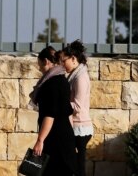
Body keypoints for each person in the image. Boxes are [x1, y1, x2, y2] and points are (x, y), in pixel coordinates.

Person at [29, 46, 77, 176]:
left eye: (40, 65)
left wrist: (40, 141)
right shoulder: (63, 81)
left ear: (46, 61)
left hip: (55, 139)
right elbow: (68, 113)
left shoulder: (51, 84)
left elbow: (50, 115)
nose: (40, 69)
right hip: (64, 138)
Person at [58, 40, 93, 176]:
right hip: (75, 125)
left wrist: (60, 104)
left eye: (64, 60)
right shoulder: (75, 75)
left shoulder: (80, 77)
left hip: (80, 128)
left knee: (79, 167)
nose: (62, 64)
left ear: (73, 59)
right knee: (74, 166)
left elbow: (77, 105)